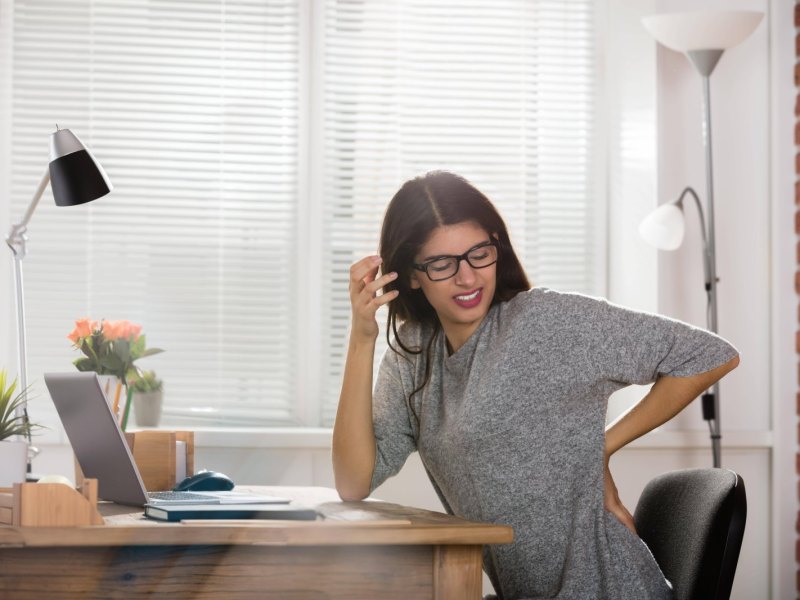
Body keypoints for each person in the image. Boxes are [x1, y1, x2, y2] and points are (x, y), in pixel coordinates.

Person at [331, 171, 740, 599]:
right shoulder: (414, 354)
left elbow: (711, 355)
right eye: (442, 264)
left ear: (496, 246)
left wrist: (600, 447)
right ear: (412, 275)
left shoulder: (543, 322)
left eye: (478, 254)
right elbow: (354, 482)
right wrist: (362, 338)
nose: (467, 278)